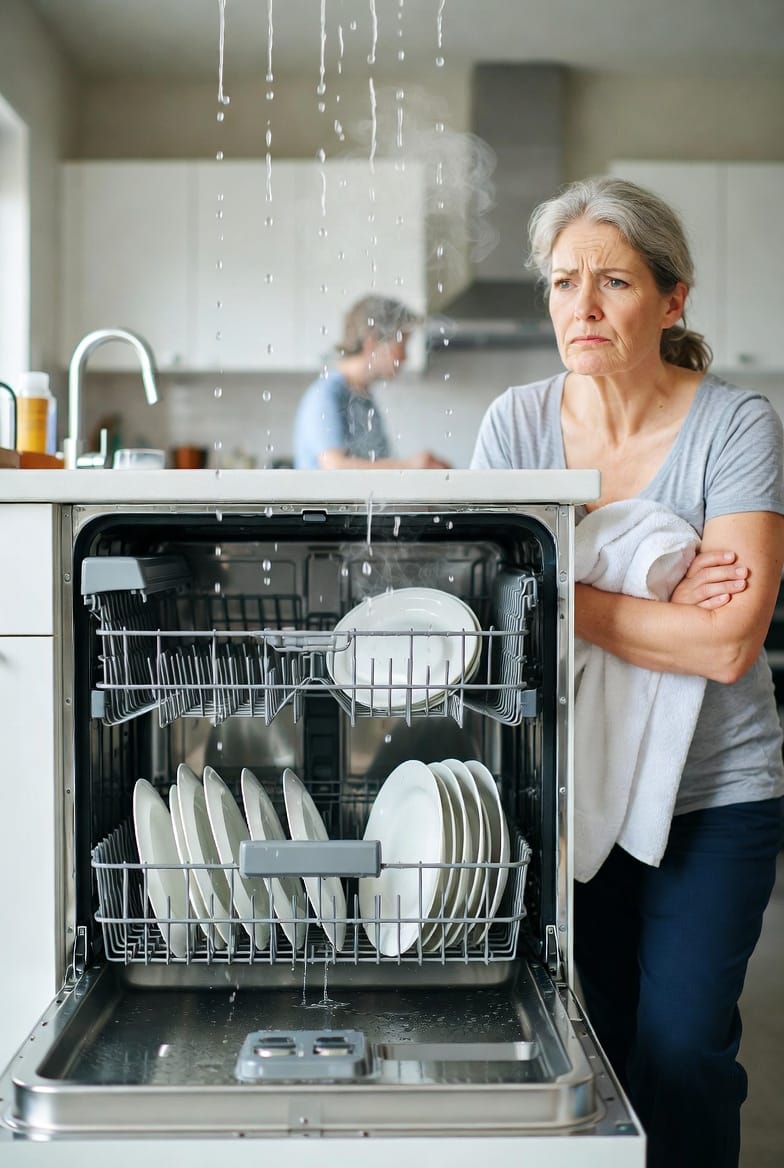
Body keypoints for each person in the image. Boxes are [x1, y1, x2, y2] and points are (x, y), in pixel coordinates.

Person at [471, 176, 784, 1168]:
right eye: (565, 282)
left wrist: (564, 585)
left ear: (672, 299)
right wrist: (653, 599)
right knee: (592, 1048)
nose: (585, 307)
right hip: (571, 791)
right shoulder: (515, 425)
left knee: (683, 1051)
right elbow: (491, 617)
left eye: (613, 281)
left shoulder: (736, 426)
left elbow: (727, 643)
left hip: (716, 793)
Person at [293, 293, 451, 470]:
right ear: (372, 341)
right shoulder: (326, 395)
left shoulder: (362, 397)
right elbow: (334, 466)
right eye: (401, 344)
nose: (405, 356)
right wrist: (409, 466)